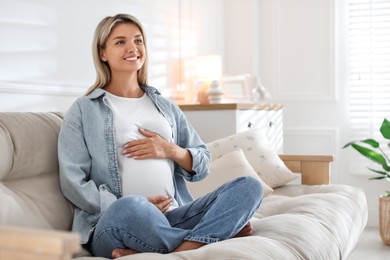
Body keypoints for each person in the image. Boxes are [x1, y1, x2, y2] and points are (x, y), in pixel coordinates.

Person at [58, 13, 263, 259]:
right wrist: (137, 206)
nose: (132, 48)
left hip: (174, 217)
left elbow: (203, 163)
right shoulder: (84, 109)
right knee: (132, 206)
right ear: (103, 53)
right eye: (120, 42)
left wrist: (170, 150)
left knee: (249, 186)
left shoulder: (165, 106)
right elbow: (73, 181)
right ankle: (211, 236)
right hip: (116, 221)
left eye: (138, 40)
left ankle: (184, 247)